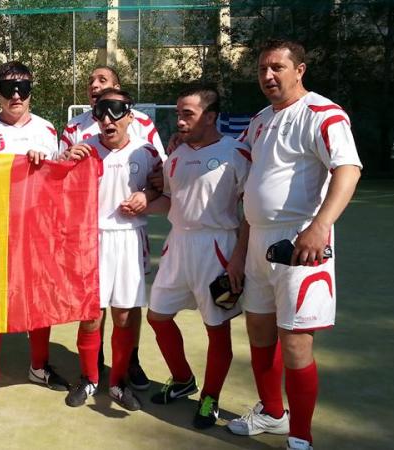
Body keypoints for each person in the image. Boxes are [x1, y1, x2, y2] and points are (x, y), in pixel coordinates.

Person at [226, 39, 362, 450]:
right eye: (263, 69)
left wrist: (320, 226)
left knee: (297, 342)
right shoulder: (260, 119)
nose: (268, 76)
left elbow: (349, 170)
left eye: (277, 68)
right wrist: (239, 248)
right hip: (256, 244)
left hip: (300, 244)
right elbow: (250, 188)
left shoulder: (322, 113)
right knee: (259, 330)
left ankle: (301, 436)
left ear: (299, 70)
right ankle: (272, 414)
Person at [0, 61, 66, 406]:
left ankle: (39, 365)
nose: (16, 95)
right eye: (8, 89)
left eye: (23, 87)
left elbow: (61, 176)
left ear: (32, 90)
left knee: (39, 297)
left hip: (37, 231)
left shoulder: (48, 131)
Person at [143, 87, 249, 429]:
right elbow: (172, 202)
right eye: (178, 114)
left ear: (211, 116)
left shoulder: (236, 153)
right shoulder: (175, 155)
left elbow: (250, 210)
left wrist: (237, 258)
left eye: (188, 114)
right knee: (157, 316)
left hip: (216, 247)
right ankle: (182, 378)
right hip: (178, 246)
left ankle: (210, 397)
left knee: (216, 329)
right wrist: (138, 204)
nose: (180, 121)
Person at [60, 65, 164, 390]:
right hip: (91, 240)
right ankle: (90, 375)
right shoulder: (80, 137)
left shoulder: (144, 142)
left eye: (116, 111)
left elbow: (161, 182)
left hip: (130, 239)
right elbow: (57, 185)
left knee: (125, 312)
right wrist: (62, 159)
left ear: (129, 114)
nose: (108, 118)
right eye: (101, 112)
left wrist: (146, 195)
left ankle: (126, 367)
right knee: (91, 312)